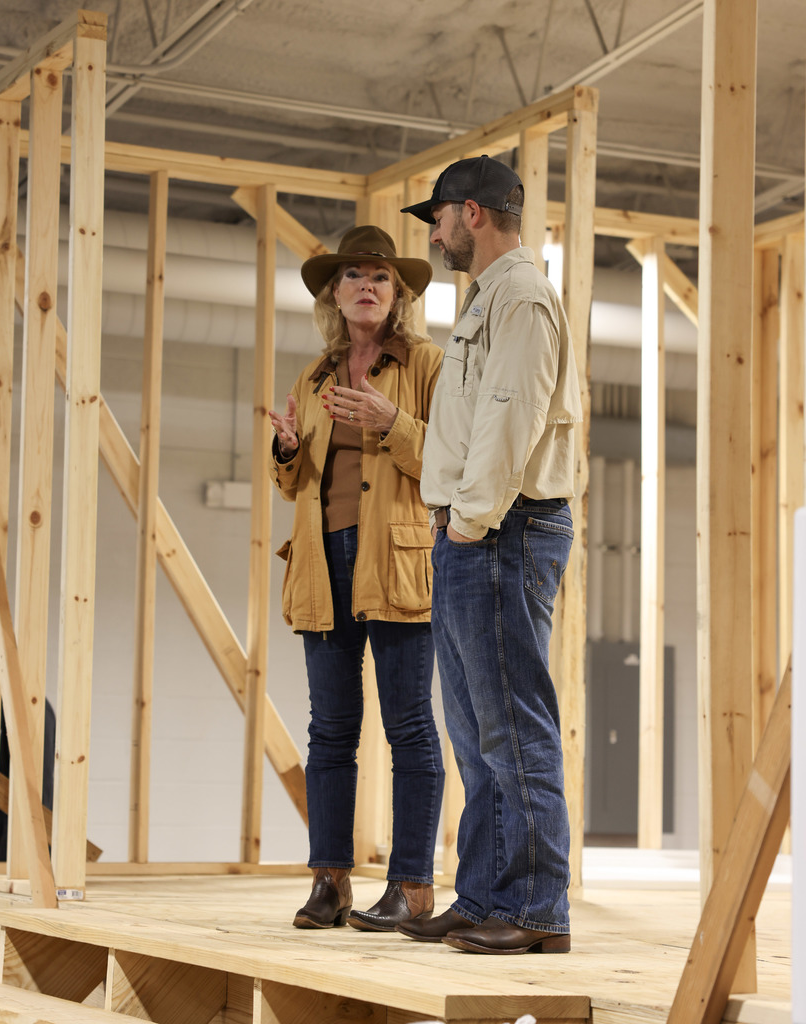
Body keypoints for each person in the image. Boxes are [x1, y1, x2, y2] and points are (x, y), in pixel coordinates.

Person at [396, 155, 582, 954]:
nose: (434, 233)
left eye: (436, 217)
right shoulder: (489, 299)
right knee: (476, 731)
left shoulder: (521, 297)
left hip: (502, 528)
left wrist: (469, 518)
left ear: (470, 212)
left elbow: (511, 414)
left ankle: (538, 911)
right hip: (477, 530)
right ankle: (484, 895)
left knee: (512, 724)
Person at [269, 225, 446, 932]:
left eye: (379, 276)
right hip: (321, 563)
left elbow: (451, 464)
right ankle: (329, 881)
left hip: (397, 559)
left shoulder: (428, 365)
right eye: (352, 277)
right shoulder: (311, 378)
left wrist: (392, 421)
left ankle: (411, 886)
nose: (366, 286)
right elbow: (296, 486)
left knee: (409, 728)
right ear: (334, 296)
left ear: (397, 293)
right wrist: (286, 451)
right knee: (330, 731)